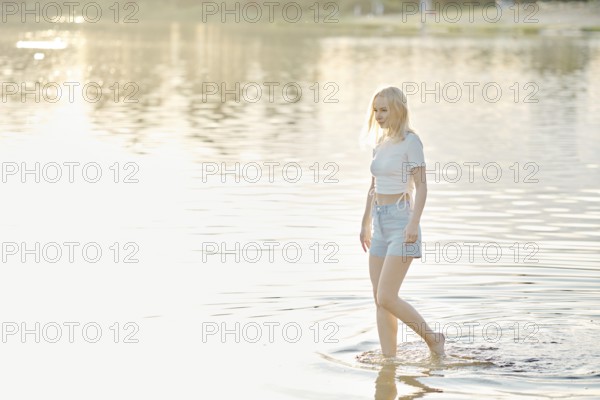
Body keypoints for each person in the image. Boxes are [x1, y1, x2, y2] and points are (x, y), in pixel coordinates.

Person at [359, 86, 445, 359]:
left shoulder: (411, 142)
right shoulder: (381, 144)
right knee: (379, 300)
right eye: (376, 110)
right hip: (380, 223)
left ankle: (433, 339)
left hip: (402, 223)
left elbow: (422, 187)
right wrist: (365, 224)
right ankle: (389, 361)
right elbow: (373, 187)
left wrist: (412, 224)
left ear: (398, 109)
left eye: (384, 109)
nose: (379, 115)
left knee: (387, 296)